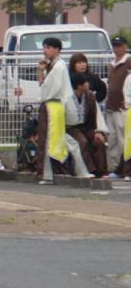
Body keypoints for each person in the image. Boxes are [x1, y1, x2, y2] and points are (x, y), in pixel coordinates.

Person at [37, 37, 72, 184]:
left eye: (48, 47)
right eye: (44, 47)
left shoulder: (59, 66)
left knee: (50, 139)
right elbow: (43, 84)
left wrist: (42, 72)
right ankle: (48, 173)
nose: (45, 50)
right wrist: (42, 71)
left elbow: (47, 87)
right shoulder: (52, 65)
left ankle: (50, 174)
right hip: (51, 106)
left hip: (53, 106)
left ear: (57, 49)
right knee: (48, 139)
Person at [64, 72, 108, 178]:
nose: (88, 84)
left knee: (98, 141)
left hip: (87, 126)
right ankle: (88, 170)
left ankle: (101, 171)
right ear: (79, 86)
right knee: (82, 142)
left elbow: (97, 114)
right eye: (86, 82)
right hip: (71, 128)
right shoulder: (66, 97)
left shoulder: (90, 96)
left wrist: (99, 131)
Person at [105, 35, 130, 178]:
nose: (117, 49)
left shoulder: (129, 61)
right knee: (113, 140)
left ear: (125, 47)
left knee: (123, 140)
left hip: (123, 107)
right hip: (111, 106)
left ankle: (125, 169)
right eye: (115, 46)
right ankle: (114, 168)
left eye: (119, 46)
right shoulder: (111, 63)